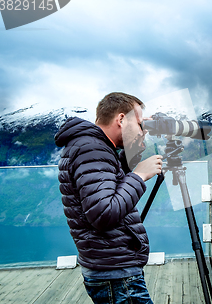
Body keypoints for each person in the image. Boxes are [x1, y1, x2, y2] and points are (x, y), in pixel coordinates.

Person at [55, 92, 162, 304]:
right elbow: (103, 213)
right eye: (139, 123)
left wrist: (136, 143)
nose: (142, 129)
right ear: (121, 119)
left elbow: (111, 180)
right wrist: (140, 175)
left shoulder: (95, 147)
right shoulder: (91, 148)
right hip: (116, 275)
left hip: (111, 267)